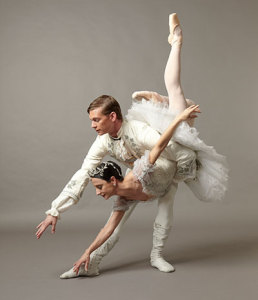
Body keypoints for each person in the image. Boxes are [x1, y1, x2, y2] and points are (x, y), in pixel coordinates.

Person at [36, 13, 228, 278]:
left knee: (176, 111)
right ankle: (91, 264)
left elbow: (164, 146)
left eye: (96, 119)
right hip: (142, 174)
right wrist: (55, 210)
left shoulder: (137, 130)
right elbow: (84, 173)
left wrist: (181, 122)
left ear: (112, 116)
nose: (92, 125)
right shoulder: (102, 143)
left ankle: (156, 255)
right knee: (116, 221)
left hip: (165, 159)